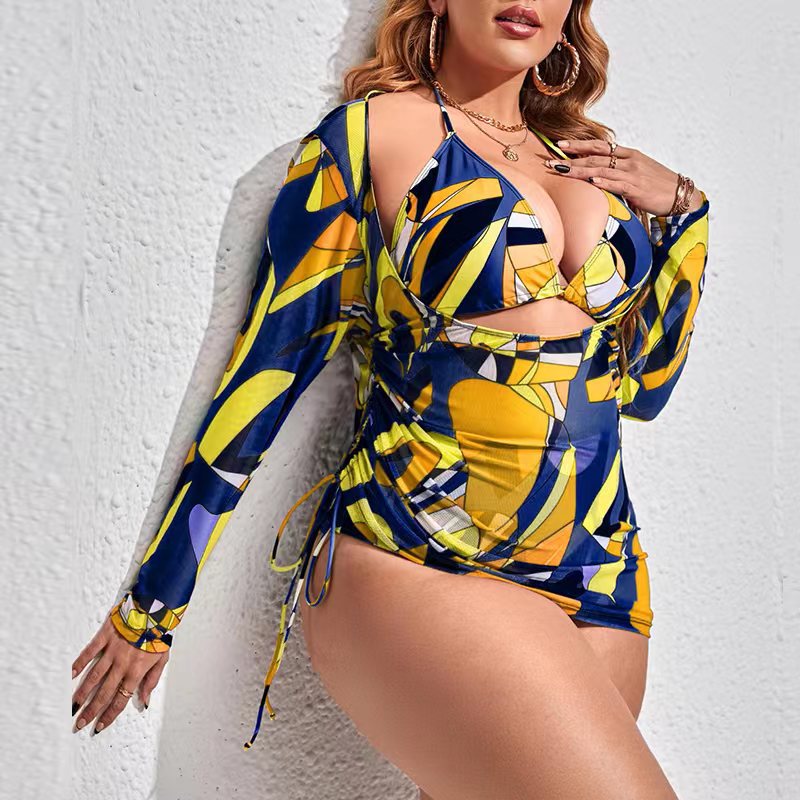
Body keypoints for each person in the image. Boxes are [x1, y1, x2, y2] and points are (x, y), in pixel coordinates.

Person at [72, 2, 710, 797]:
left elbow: (641, 387)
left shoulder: (589, 162)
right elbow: (267, 371)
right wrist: (153, 606)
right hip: (423, 556)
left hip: (599, 570)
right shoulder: (370, 136)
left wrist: (686, 214)